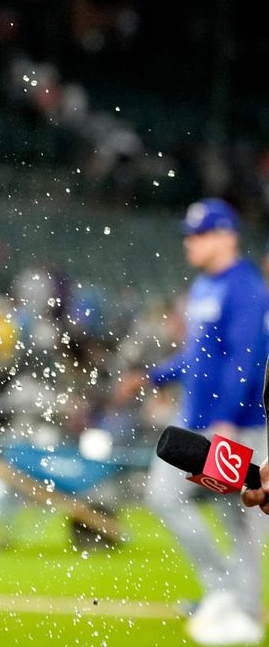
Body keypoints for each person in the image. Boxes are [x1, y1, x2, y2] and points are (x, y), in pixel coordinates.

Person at [121, 198, 269, 645]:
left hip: (232, 424)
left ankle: (231, 600)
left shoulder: (246, 288)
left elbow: (249, 358)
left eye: (200, 234)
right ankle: (231, 602)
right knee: (212, 510)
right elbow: (200, 355)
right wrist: (154, 375)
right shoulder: (207, 286)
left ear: (227, 236)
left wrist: (226, 420)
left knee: (212, 509)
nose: (190, 241)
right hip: (200, 419)